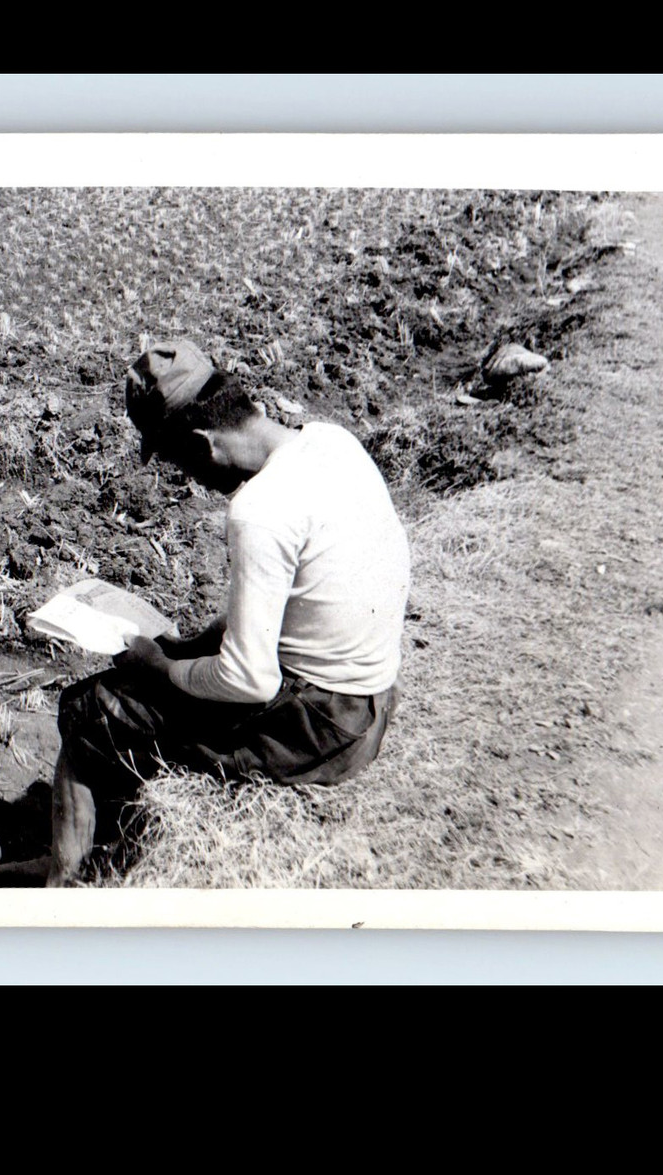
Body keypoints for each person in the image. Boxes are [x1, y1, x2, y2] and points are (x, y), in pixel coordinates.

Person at [48, 337, 411, 885]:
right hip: (372, 703)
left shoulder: (258, 510)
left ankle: (63, 884)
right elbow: (299, 602)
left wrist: (163, 670)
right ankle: (111, 846)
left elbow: (249, 678)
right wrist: (196, 645)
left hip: (320, 729)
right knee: (160, 689)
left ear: (202, 444)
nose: (190, 479)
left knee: (89, 709)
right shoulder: (331, 442)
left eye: (178, 462)